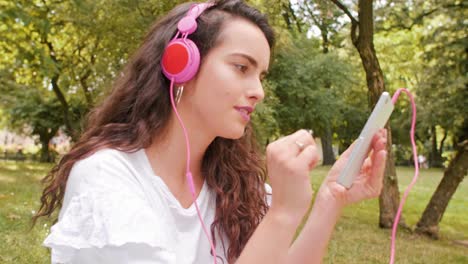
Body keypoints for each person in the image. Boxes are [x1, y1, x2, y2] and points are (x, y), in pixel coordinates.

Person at [33, 0, 388, 263]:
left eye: (260, 75)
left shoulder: (235, 187)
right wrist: (283, 213)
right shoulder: (106, 178)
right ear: (181, 64)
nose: (258, 91)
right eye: (241, 67)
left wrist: (329, 200)